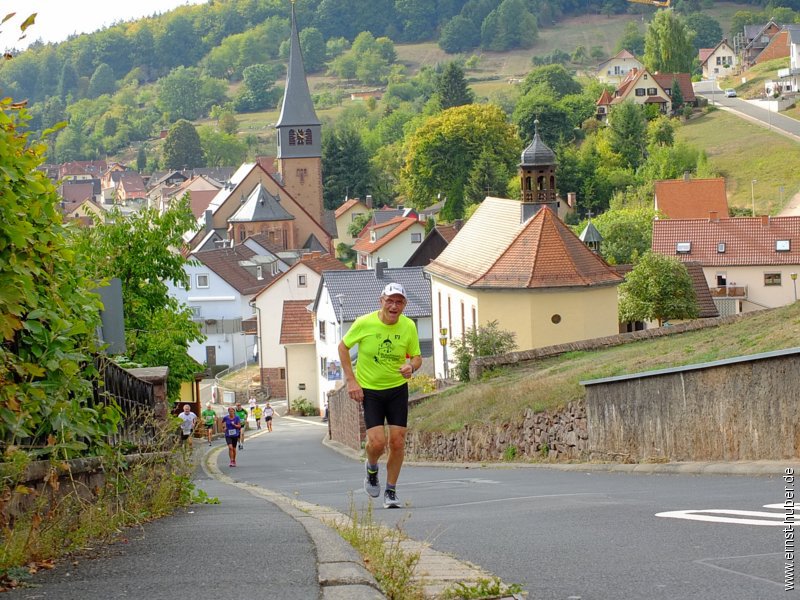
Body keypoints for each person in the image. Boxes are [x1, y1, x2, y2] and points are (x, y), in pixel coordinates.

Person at [338, 282, 421, 509]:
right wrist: (351, 380)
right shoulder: (364, 323)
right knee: (377, 443)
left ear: (404, 305)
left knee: (397, 442)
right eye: (390, 301)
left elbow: (416, 356)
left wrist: (411, 367)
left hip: (396, 389)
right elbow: (343, 347)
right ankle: (372, 468)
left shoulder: (408, 326)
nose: (394, 306)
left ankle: (391, 491)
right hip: (370, 390)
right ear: (381, 301)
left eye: (399, 302)